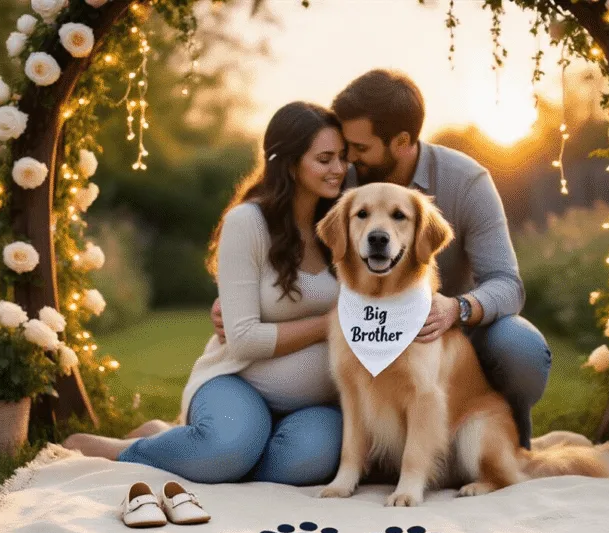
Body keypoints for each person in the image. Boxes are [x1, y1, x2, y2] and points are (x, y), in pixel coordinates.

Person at [212, 70, 551, 450]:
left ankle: (512, 443)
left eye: (356, 148)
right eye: (340, 151)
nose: (345, 162)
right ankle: (380, 448)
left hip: (444, 329)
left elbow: (507, 282)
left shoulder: (466, 182)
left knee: (520, 346)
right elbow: (293, 234)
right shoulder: (342, 182)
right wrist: (245, 295)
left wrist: (456, 308)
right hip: (367, 328)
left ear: (402, 142)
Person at [64, 101, 348, 485]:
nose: (339, 169)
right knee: (226, 449)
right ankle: (131, 449)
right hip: (237, 381)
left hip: (316, 403)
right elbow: (244, 340)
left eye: (342, 158)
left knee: (305, 464)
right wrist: (329, 324)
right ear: (290, 163)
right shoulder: (248, 222)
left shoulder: (345, 222)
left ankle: (192, 443)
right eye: (325, 159)